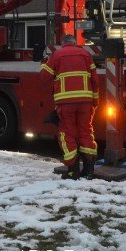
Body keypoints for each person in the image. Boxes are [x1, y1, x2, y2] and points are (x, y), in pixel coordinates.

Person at [40, 34, 99, 179]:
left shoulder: (57, 55)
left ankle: (73, 171)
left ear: (63, 43)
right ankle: (89, 170)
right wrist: (95, 100)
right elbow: (95, 80)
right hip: (85, 101)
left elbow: (44, 77)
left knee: (67, 134)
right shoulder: (86, 54)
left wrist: (43, 64)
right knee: (86, 132)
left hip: (65, 102)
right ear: (74, 43)